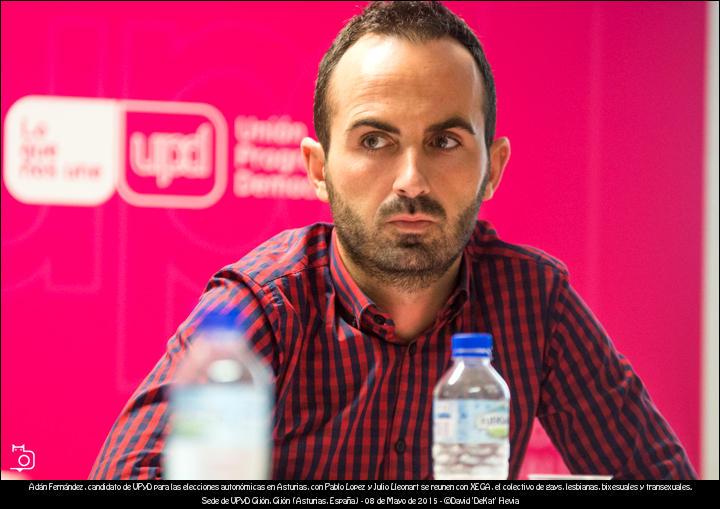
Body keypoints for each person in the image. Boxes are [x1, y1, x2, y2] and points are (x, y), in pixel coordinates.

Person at [90, 1, 697, 480]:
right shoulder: (264, 304)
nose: (411, 180)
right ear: (318, 167)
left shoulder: (533, 301)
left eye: (445, 141)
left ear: (494, 168)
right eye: (375, 141)